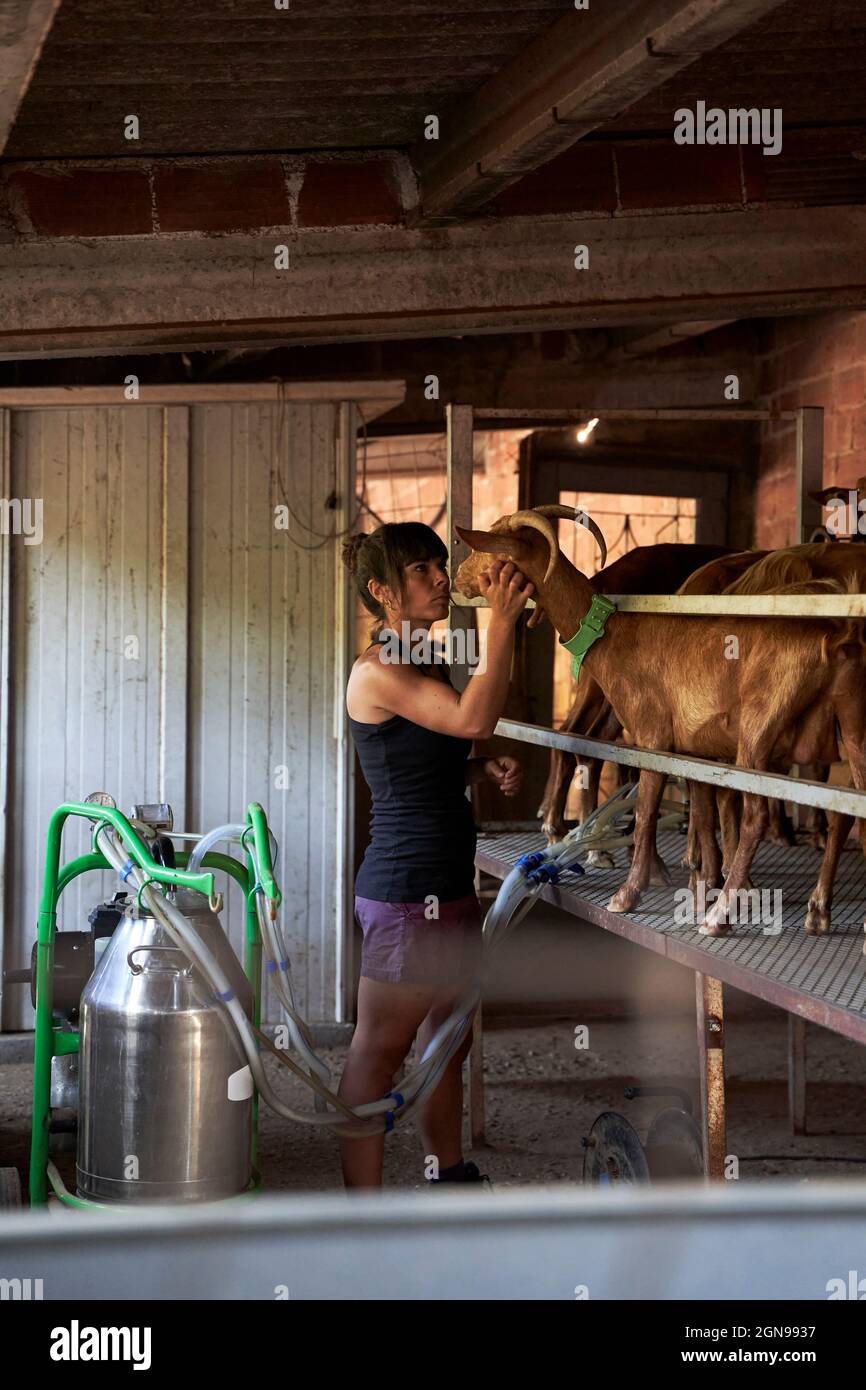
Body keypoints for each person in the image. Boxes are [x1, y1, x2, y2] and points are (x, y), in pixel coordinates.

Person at [339, 521, 533, 1190]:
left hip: (446, 882)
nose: (441, 578)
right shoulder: (378, 671)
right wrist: (504, 620)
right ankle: (361, 1218)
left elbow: (434, 755)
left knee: (449, 1041)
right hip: (403, 887)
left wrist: (478, 769)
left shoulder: (422, 661)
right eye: (422, 570)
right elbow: (474, 715)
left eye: (437, 565)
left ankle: (448, 1176)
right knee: (379, 1051)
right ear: (381, 591)